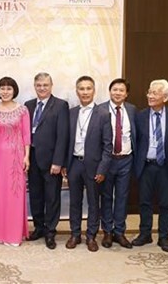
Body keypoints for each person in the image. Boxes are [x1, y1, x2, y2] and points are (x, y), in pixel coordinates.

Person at [63, 76, 112, 252]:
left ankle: (91, 235)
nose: (85, 92)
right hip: (74, 163)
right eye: (81, 89)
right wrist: (64, 165)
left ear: (94, 91)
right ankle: (75, 234)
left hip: (94, 166)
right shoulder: (71, 113)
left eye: (88, 88)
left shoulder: (104, 114)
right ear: (77, 92)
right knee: (74, 201)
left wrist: (102, 169)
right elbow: (66, 141)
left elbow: (108, 146)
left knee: (93, 202)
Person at [132, 79, 168, 252]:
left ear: (165, 97)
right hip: (146, 165)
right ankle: (145, 234)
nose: (150, 96)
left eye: (155, 93)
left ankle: (163, 236)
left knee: (166, 203)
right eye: (149, 92)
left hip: (166, 166)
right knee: (144, 202)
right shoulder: (140, 115)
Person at [24, 72, 69, 250]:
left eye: (45, 85)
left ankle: (50, 231)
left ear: (51, 86)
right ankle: (39, 228)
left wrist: (58, 161)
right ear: (35, 86)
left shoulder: (60, 105)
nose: (42, 88)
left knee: (52, 197)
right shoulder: (28, 105)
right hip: (32, 158)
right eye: (39, 85)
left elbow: (63, 135)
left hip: (51, 160)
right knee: (35, 196)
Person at [0, 77, 30, 246]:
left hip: (16, 156)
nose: (5, 92)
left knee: (14, 194)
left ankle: (13, 234)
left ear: (14, 91)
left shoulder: (22, 110)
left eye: (8, 88)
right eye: (2, 88)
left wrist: (26, 156)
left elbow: (26, 135)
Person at [98, 78, 137, 249]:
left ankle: (119, 231)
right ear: (109, 91)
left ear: (126, 93)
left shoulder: (132, 110)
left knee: (122, 197)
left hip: (126, 159)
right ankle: (107, 231)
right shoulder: (100, 110)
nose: (118, 93)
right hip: (108, 160)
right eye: (115, 89)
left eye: (121, 90)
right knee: (106, 196)